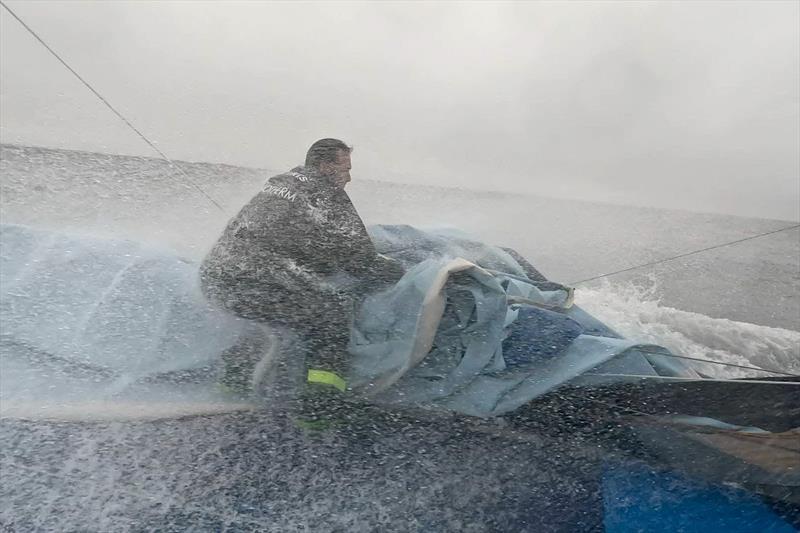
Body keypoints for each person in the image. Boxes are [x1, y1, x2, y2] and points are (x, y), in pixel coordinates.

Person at [200, 138, 404, 401]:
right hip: (249, 283)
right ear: (325, 166)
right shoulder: (327, 193)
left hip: (215, 280)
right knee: (330, 315)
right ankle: (320, 409)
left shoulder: (279, 183)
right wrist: (398, 273)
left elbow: (294, 239)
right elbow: (360, 259)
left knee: (266, 314)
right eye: (346, 169)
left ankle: (231, 385)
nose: (349, 178)